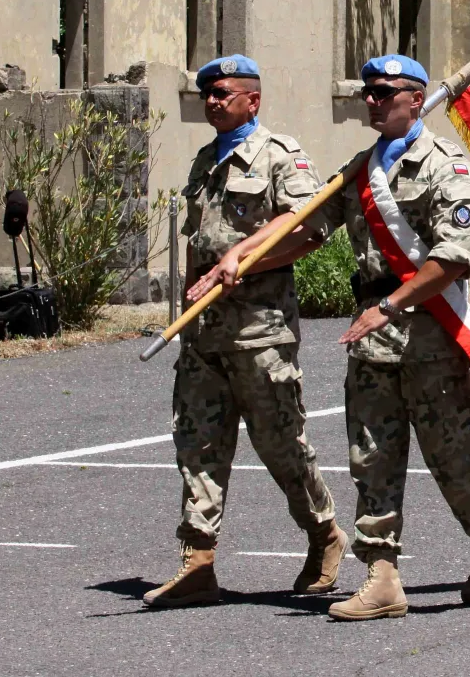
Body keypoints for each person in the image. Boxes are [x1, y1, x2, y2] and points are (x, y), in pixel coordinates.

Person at [209, 54, 470, 620]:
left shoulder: (444, 165)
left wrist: (391, 305)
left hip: (429, 329)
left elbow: (456, 257)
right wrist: (244, 260)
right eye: (366, 93)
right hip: (373, 334)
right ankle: (381, 575)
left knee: (451, 457)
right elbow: (309, 227)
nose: (371, 101)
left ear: (415, 96)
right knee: (372, 456)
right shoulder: (360, 168)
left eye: (382, 92)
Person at [143, 54, 345, 608]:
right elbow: (196, 241)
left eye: (224, 92)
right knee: (198, 444)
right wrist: (186, 302)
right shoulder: (207, 160)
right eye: (206, 92)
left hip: (260, 331)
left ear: (252, 100)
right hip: (204, 333)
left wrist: (246, 259)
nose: (211, 100)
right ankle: (198, 559)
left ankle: (324, 533)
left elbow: (311, 228)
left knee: (281, 445)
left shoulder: (280, 157)